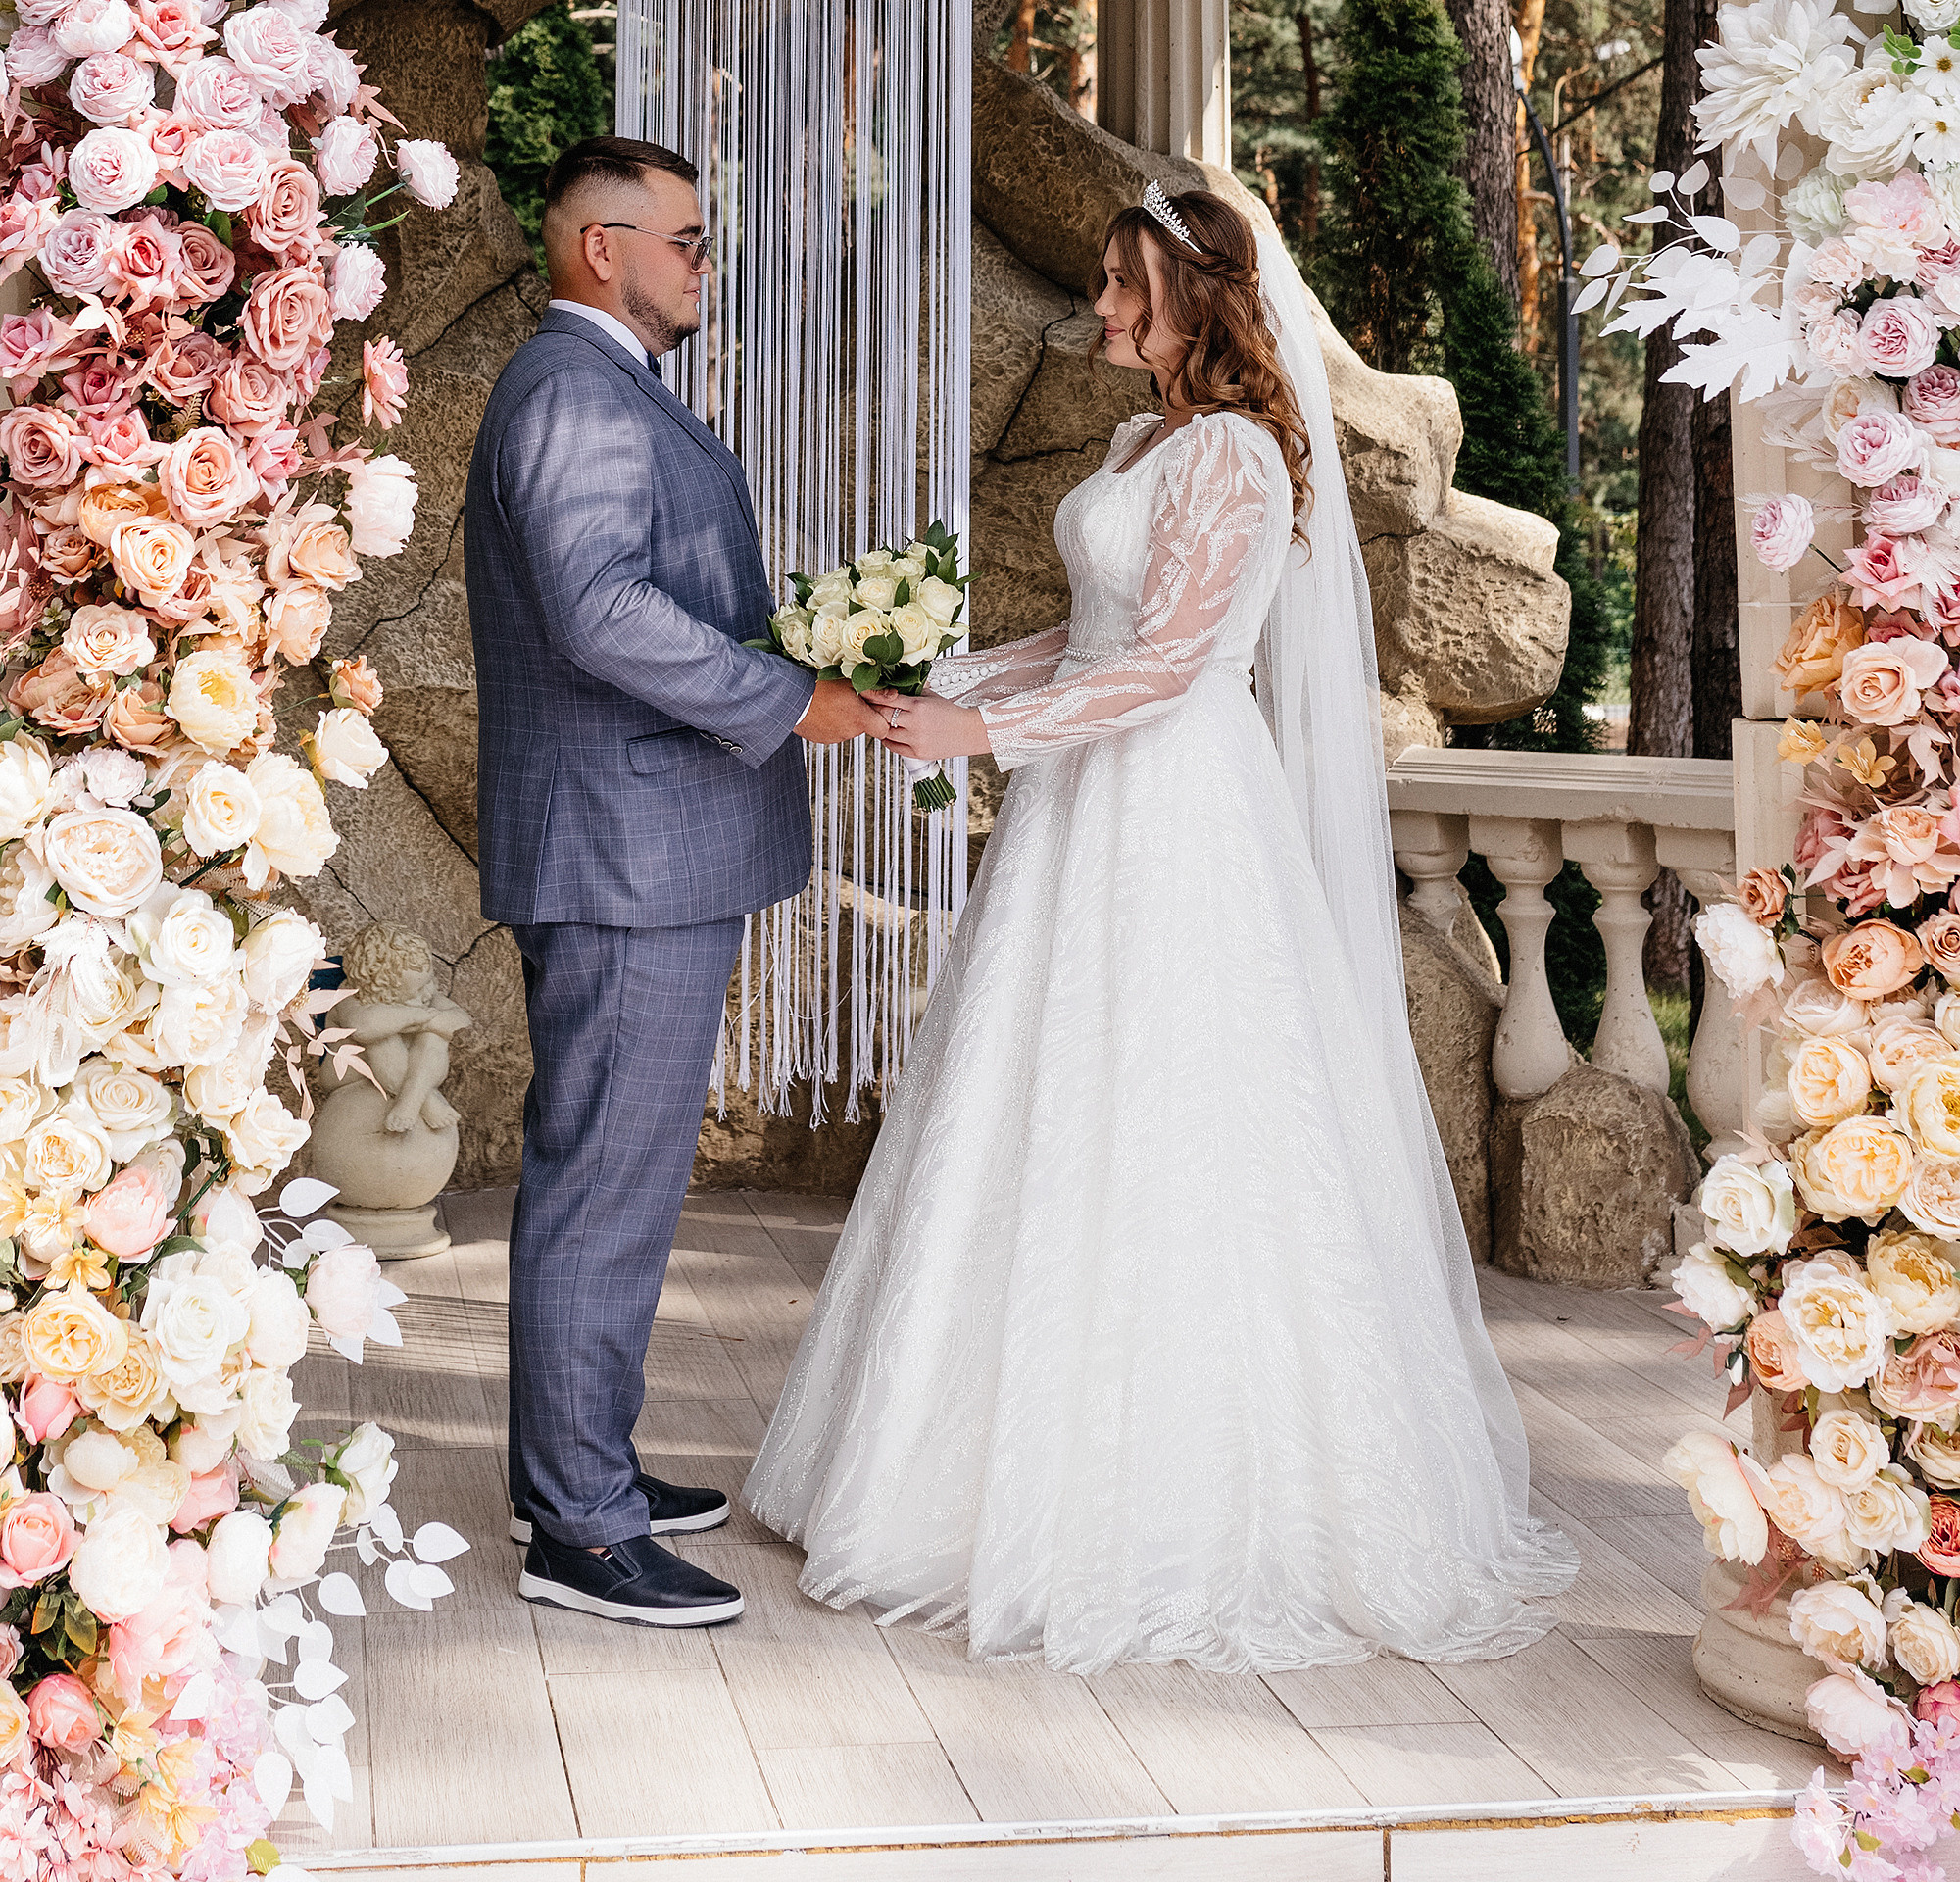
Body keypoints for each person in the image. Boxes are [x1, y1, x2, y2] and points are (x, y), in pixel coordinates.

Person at [745, 180, 1576, 1672]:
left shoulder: (1245, 460)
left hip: (1176, 806)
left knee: (1177, 1122)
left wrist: (978, 739)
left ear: (1201, 301)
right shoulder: (1148, 442)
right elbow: (1093, 636)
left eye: (1132, 288)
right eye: (1111, 283)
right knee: (1035, 1110)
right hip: (1085, 799)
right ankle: (952, 1475)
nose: (1108, 311)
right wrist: (938, 673)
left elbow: (1181, 667)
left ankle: (1176, 1504)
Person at [465, 132, 883, 1630]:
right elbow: (600, 613)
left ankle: (575, 1471)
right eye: (690, 239)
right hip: (623, 849)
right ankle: (580, 1530)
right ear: (602, 248)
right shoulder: (573, 390)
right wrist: (792, 699)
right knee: (606, 1185)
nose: (705, 262)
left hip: (633, 840)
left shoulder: (598, 384)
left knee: (606, 1175)